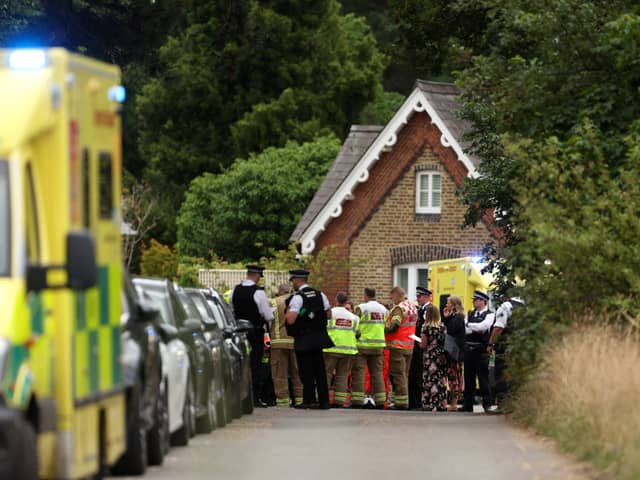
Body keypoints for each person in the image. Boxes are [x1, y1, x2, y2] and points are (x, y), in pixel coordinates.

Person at [285, 269, 333, 409]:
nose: (293, 283)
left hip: (304, 338)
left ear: (297, 280)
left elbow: (291, 319)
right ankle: (324, 401)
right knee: (320, 370)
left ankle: (309, 400)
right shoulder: (320, 295)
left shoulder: (298, 297)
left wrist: (293, 312)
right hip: (319, 337)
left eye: (293, 280)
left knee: (306, 370)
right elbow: (328, 314)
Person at [231, 265, 275, 408]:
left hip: (238, 334)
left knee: (240, 364)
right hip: (254, 334)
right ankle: (254, 398)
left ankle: (238, 397)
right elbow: (268, 315)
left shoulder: (235, 290)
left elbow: (231, 311)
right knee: (255, 365)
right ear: (257, 276)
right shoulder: (258, 292)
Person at [352, 288, 388, 409]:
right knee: (377, 374)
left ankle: (357, 401)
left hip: (363, 345)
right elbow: (386, 326)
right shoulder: (384, 309)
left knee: (359, 372)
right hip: (378, 346)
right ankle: (380, 401)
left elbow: (355, 325)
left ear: (366, 295)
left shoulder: (361, 308)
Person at [487, 297, 525, 412]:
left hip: (505, 347)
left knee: (501, 373)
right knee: (515, 374)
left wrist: (490, 344)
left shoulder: (505, 306)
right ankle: (517, 403)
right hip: (520, 346)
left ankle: (503, 405)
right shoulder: (523, 306)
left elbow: (498, 328)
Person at [323, 292, 360, 408]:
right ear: (346, 302)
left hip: (331, 349)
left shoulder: (330, 314)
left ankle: (323, 399)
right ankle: (339, 401)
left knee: (327, 375)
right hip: (348, 351)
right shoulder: (354, 318)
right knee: (342, 376)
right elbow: (358, 334)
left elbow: (323, 329)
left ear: (336, 300)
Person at [270, 284, 303, 408]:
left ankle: (283, 401)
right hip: (296, 343)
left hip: (278, 343)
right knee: (298, 372)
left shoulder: (274, 302)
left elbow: (267, 318)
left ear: (279, 292)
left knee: (279, 373)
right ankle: (300, 399)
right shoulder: (298, 302)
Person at [385, 286, 418, 410]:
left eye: (392, 296)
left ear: (397, 295)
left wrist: (382, 329)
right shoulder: (412, 307)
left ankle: (401, 402)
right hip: (409, 346)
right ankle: (404, 400)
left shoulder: (399, 308)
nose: (391, 299)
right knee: (405, 374)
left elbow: (394, 326)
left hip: (397, 346)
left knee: (398, 375)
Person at [463, 290, 495, 413]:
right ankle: (467, 404)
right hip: (469, 349)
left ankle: (487, 404)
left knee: (483, 378)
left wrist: (470, 326)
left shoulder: (490, 314)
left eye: (476, 300)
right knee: (469, 378)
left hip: (481, 350)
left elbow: (484, 327)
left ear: (483, 301)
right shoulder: (470, 313)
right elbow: (465, 330)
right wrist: (474, 328)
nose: (474, 301)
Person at [420, 304, 448, 411]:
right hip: (440, 355)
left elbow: (423, 344)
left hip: (430, 355)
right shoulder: (442, 327)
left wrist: (419, 343)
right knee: (440, 379)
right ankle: (441, 403)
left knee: (429, 379)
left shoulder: (425, 327)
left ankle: (429, 403)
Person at [409, 286, 432, 409]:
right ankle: (413, 401)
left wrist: (418, 340)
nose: (418, 299)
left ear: (427, 297)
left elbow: (427, 331)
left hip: (421, 346)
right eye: (417, 296)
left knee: (418, 375)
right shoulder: (419, 310)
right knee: (413, 374)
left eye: (420, 296)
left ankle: (418, 402)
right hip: (416, 345)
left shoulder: (428, 310)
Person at [442, 295, 466, 412]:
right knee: (453, 376)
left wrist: (447, 318)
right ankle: (452, 402)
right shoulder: (454, 317)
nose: (447, 305)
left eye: (449, 303)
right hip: (452, 350)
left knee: (454, 377)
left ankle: (454, 403)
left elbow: (450, 330)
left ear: (454, 305)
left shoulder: (458, 317)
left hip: (455, 351)